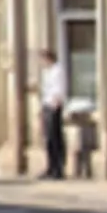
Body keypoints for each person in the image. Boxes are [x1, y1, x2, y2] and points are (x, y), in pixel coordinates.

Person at [37, 48, 67, 180]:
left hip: (54, 106)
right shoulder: (47, 72)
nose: (42, 63)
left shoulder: (57, 70)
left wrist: (55, 102)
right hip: (47, 105)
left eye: (43, 59)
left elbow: (58, 89)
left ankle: (58, 168)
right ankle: (50, 167)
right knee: (48, 139)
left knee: (55, 138)